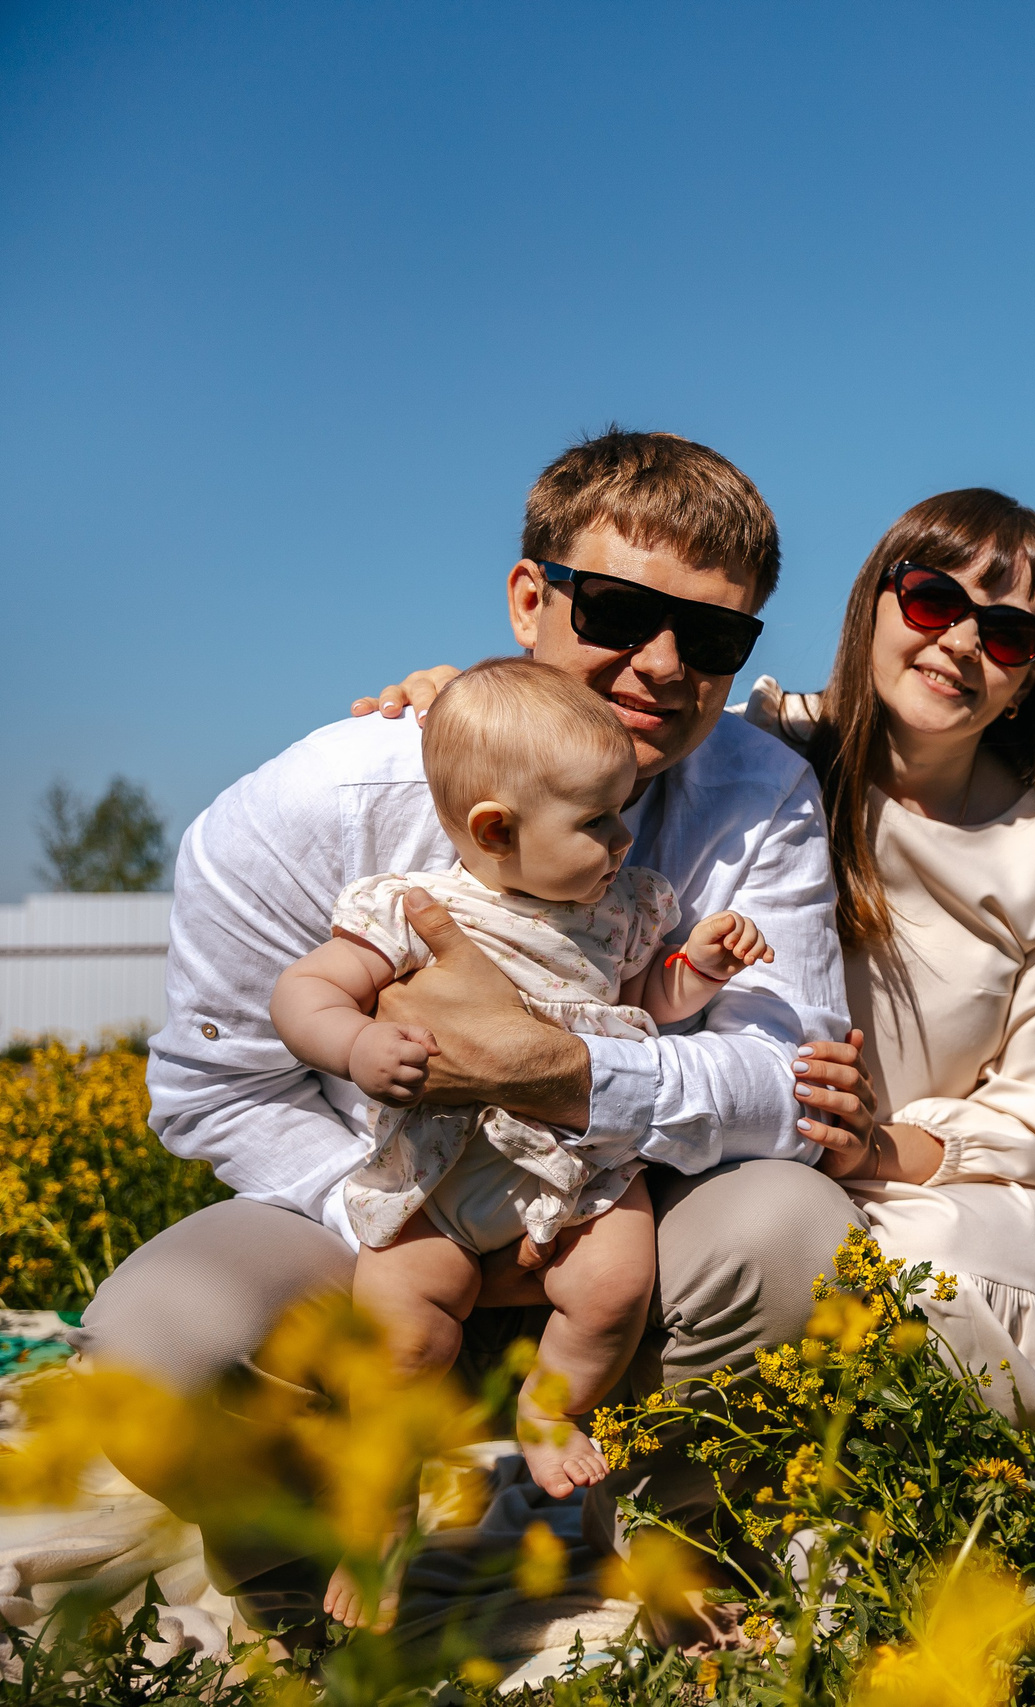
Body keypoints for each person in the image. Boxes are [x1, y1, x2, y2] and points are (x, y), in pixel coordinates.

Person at [81, 431, 866, 1634]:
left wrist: (562, 1073)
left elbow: (788, 1088)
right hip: (377, 1212)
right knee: (159, 1344)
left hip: (612, 1229)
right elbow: (217, 1090)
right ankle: (309, 1559)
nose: (663, 664)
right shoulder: (317, 808)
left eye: (712, 637)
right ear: (529, 598)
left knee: (794, 1233)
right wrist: (423, 1220)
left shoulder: (758, 799)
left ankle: (675, 1534)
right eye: (619, 612)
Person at [372, 488, 1035, 1499]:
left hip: (939, 1172)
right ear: (872, 603)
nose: (964, 642)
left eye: (1010, 634)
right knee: (729, 1226)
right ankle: (663, 1492)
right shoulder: (772, 745)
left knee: (898, 1251)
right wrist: (461, 702)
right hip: (749, 1143)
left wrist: (874, 1147)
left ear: (1032, 680)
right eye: (933, 600)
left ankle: (881, 1506)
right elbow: (568, 734)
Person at [270, 657, 780, 1613]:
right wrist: (356, 1043)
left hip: (577, 1169)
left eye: (624, 813)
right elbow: (305, 991)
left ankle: (550, 1406)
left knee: (614, 1283)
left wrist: (699, 972)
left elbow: (644, 1001)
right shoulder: (416, 909)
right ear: (496, 830)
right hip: (439, 1172)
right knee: (399, 1333)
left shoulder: (621, 910)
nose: (624, 838)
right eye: (598, 821)